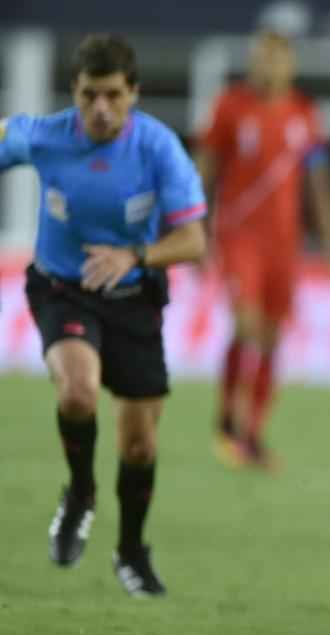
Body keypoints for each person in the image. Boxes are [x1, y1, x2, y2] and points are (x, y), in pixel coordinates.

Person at [1, 34, 207, 595]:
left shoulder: (159, 149)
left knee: (139, 444)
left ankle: (131, 552)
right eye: (90, 94)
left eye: (113, 95)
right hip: (62, 289)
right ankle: (81, 492)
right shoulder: (43, 135)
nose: (100, 108)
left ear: (133, 93)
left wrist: (135, 255)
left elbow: (193, 240)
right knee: (77, 392)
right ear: (74, 91)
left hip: (134, 297)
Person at [196, 30, 330, 470]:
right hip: (239, 237)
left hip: (285, 242)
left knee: (273, 336)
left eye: (277, 59)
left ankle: (254, 431)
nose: (268, 67)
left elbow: (316, 178)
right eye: (261, 58)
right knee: (245, 325)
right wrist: (194, 226)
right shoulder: (230, 106)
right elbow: (205, 168)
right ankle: (227, 418)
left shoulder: (303, 112)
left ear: (290, 65)